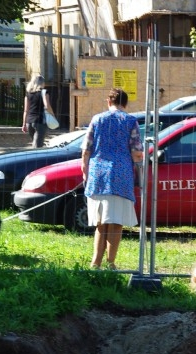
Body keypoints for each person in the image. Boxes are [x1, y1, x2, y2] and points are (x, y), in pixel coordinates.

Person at [81, 88, 144, 270]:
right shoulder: (130, 121)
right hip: (121, 174)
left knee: (101, 223)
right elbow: (136, 151)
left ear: (109, 102)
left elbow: (86, 149)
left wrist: (85, 169)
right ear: (125, 104)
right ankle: (110, 263)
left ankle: (95, 263)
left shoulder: (97, 119)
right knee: (116, 222)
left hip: (98, 174)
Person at [22, 75, 54, 148]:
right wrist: (52, 115)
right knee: (37, 146)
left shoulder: (28, 94)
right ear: (42, 83)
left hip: (29, 122)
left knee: (35, 143)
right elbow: (47, 105)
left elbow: (25, 110)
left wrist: (24, 124)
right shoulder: (44, 92)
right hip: (40, 121)